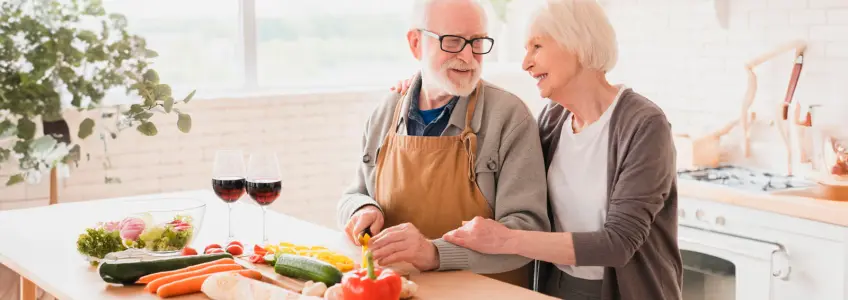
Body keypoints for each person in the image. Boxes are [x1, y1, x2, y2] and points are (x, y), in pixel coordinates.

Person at [391, 0, 683, 299]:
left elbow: (618, 244)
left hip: (629, 291)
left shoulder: (643, 124)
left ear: (577, 43)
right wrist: (427, 83)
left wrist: (507, 240)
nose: (526, 63)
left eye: (537, 47)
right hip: (557, 288)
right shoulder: (552, 119)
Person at [336, 0, 550, 289]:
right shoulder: (385, 113)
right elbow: (353, 194)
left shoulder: (509, 117)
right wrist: (361, 209)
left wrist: (435, 253)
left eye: (477, 42)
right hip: (397, 290)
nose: (468, 56)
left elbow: (528, 232)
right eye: (452, 41)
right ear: (415, 43)